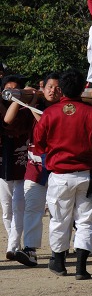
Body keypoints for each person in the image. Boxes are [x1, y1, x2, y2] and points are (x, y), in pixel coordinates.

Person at [33, 68, 92, 279]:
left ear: (60, 89)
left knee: (59, 219)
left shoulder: (50, 114)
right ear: (83, 88)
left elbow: (39, 145)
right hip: (87, 174)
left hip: (60, 175)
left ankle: (59, 263)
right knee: (86, 220)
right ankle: (81, 268)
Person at [11, 73, 62, 268]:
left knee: (58, 210)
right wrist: (19, 97)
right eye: (49, 87)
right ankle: (30, 249)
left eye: (57, 88)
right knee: (32, 207)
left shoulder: (66, 109)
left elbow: (46, 124)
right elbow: (8, 121)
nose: (52, 91)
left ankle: (58, 251)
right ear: (43, 88)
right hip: (35, 165)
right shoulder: (32, 108)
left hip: (60, 167)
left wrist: (32, 104)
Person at [0, 73, 30, 260]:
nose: (11, 93)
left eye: (15, 90)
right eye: (7, 89)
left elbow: (11, 122)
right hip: (2, 165)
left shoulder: (26, 110)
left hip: (21, 164)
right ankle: (15, 240)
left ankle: (12, 246)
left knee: (19, 206)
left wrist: (30, 99)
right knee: (6, 209)